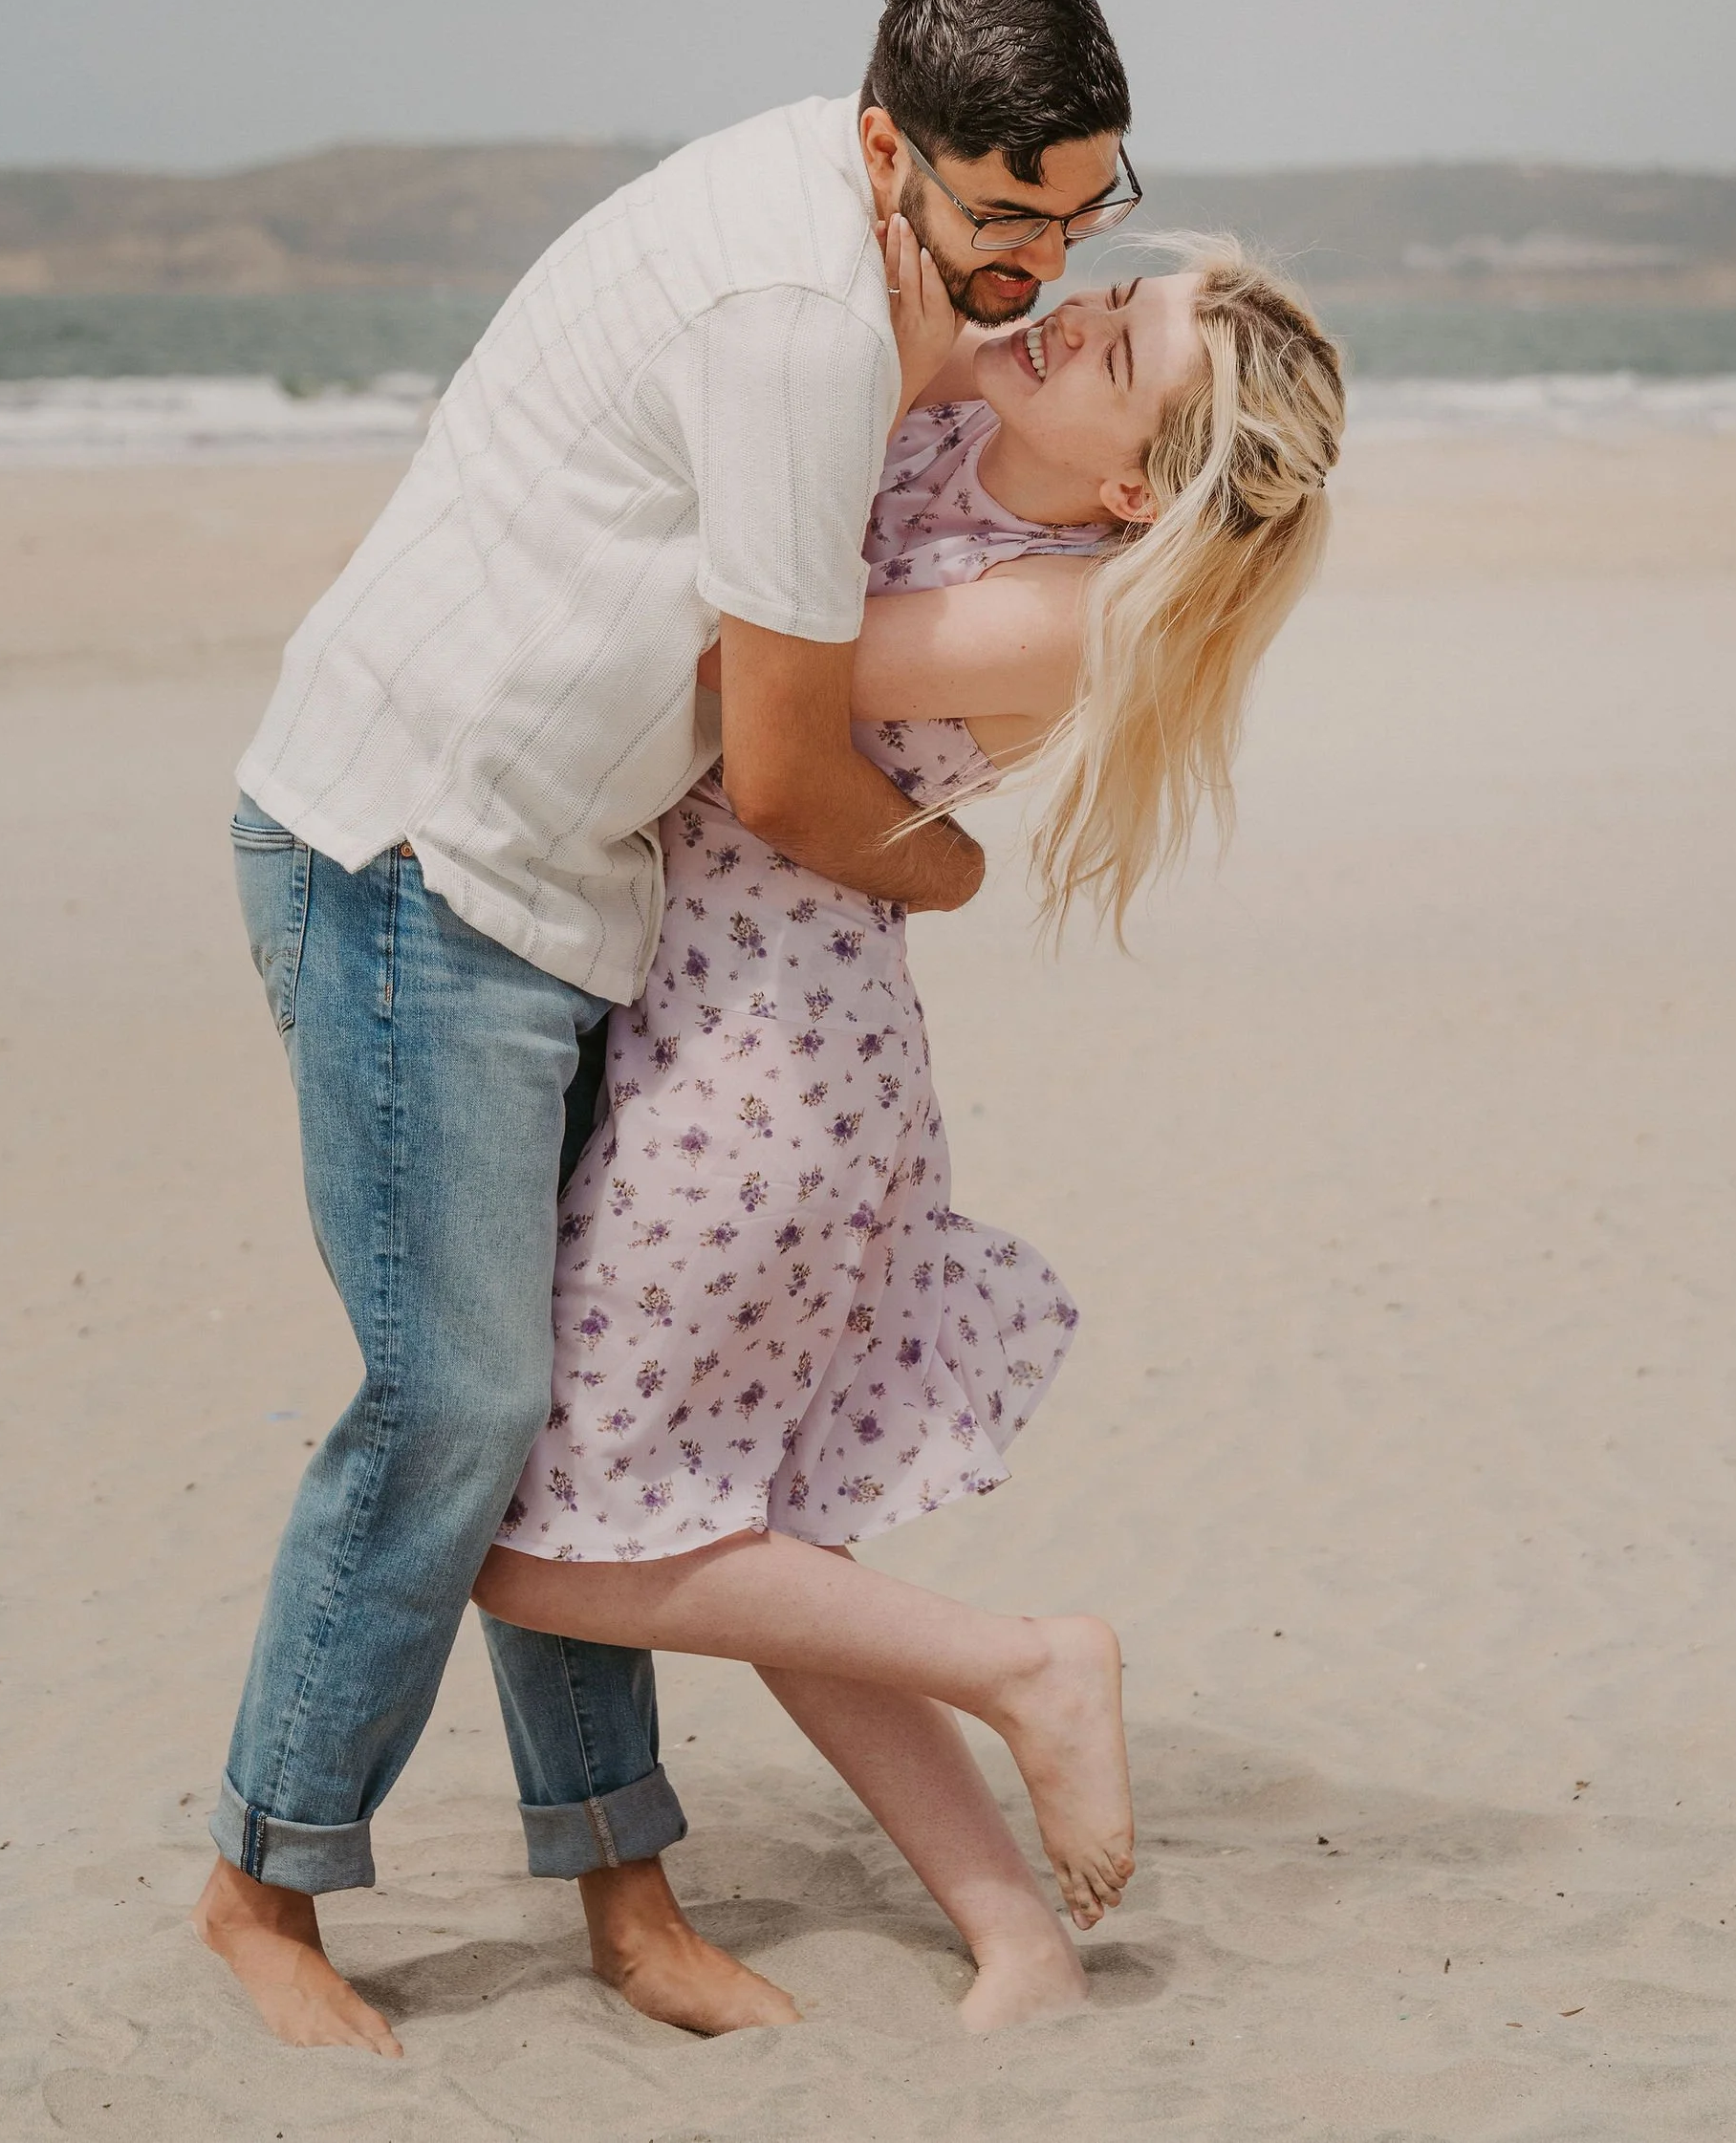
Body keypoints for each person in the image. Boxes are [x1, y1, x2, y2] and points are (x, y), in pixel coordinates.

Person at [193, 0, 1144, 2051]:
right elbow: (793, 758)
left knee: (595, 1412)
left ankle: (623, 1889)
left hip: (570, 879)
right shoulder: (803, 318)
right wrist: (956, 863)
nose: (1037, 261)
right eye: (1005, 217)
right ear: (891, 143)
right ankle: (265, 1886)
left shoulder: (881, 258)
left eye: (1085, 216)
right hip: (413, 851)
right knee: (462, 1402)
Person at [478, 231, 1347, 2027]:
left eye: (1116, 346)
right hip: (737, 1029)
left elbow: (743, 676)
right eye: (1105, 289)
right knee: (781, 1537)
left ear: (1128, 485)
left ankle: (1029, 1666)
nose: (1073, 314)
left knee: (549, 1547)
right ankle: (1017, 1933)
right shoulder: (955, 439)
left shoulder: (1064, 603)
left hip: (761, 1069)